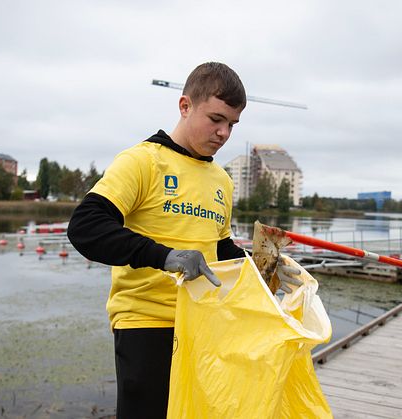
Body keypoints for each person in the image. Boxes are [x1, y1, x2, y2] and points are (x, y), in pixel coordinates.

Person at [66, 62, 298, 418]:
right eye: (216, 119)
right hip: (146, 323)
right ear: (185, 106)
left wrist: (261, 265)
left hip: (204, 322)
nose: (223, 133)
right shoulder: (142, 161)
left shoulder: (221, 179)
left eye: (232, 125)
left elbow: (219, 248)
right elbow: (86, 226)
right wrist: (166, 256)